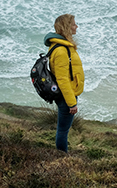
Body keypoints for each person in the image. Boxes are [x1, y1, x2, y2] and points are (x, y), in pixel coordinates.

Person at [43, 14, 85, 153]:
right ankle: (62, 158)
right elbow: (62, 79)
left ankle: (62, 155)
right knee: (63, 131)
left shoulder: (62, 46)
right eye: (73, 24)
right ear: (66, 27)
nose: (76, 26)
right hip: (66, 96)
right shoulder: (61, 50)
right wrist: (72, 103)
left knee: (63, 129)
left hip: (65, 95)